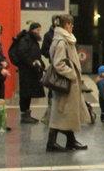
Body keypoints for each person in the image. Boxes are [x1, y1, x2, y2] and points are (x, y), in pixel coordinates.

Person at [46, 14, 90, 152]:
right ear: (67, 25)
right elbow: (58, 64)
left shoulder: (64, 39)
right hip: (66, 83)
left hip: (68, 83)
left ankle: (70, 141)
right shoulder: (61, 42)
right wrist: (72, 75)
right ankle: (52, 143)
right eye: (71, 24)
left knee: (65, 113)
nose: (72, 27)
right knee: (61, 112)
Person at [12, 21, 46, 123]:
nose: (39, 32)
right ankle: (24, 114)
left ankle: (27, 113)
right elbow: (22, 53)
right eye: (37, 30)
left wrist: (40, 64)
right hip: (27, 71)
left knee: (29, 92)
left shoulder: (32, 40)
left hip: (31, 70)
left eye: (39, 30)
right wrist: (31, 63)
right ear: (32, 30)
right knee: (25, 92)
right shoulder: (26, 40)